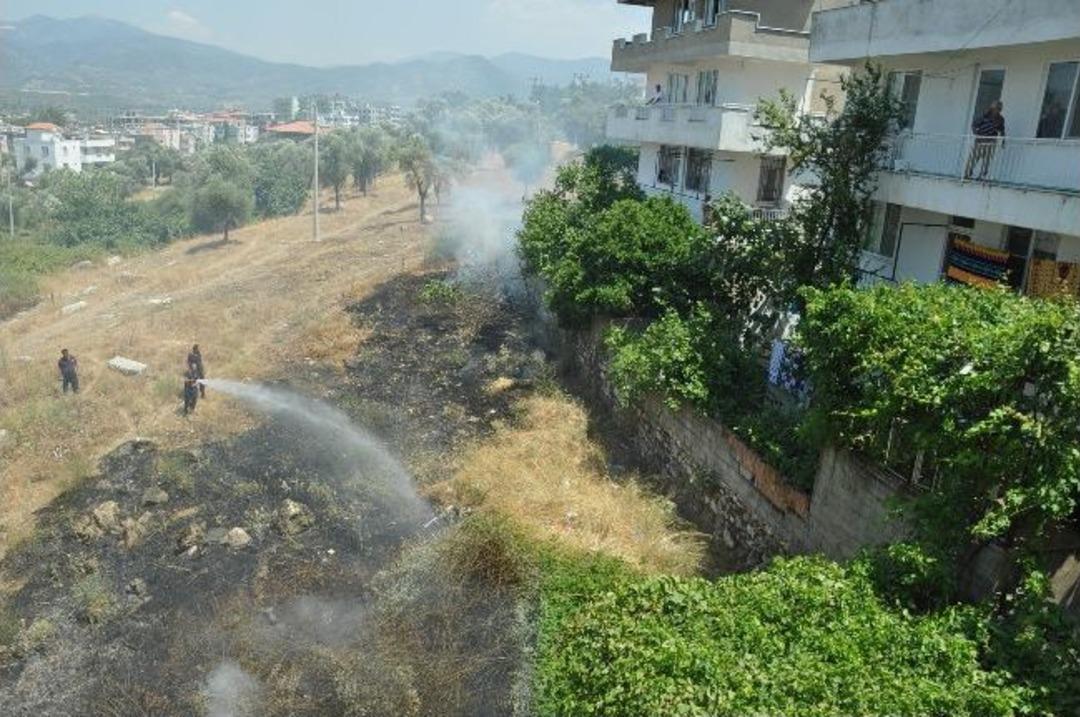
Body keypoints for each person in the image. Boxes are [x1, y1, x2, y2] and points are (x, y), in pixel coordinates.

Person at [965, 100, 1005, 180]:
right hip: (980, 141)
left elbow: (1002, 130)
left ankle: (982, 176)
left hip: (991, 142)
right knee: (973, 158)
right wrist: (976, 134)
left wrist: (1003, 141)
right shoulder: (984, 116)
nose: (997, 110)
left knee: (986, 160)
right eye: (996, 108)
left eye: (999, 109)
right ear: (992, 108)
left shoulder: (1000, 119)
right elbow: (974, 125)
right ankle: (967, 174)